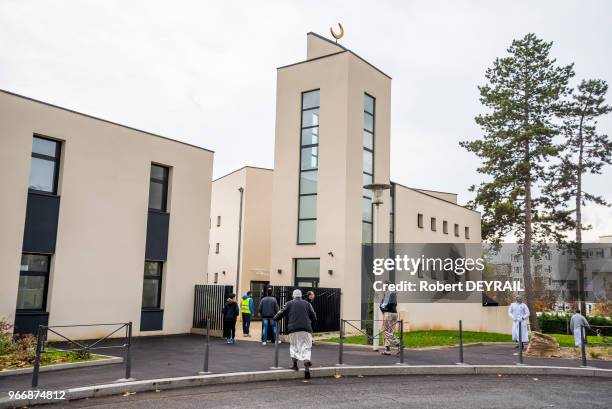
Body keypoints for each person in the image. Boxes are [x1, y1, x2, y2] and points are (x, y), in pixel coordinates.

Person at [274, 289, 317, 379]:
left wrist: (276, 318)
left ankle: (295, 365)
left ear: (293, 296)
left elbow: (281, 312)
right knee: (306, 347)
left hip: (293, 329)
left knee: (294, 346)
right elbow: (314, 316)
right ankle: (306, 364)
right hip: (306, 329)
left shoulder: (289, 303)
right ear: (301, 296)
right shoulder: (307, 304)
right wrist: (310, 323)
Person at [380, 280, 400, 355]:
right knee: (390, 332)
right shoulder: (394, 294)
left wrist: (382, 308)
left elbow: (384, 305)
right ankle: (387, 350)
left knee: (385, 331)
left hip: (388, 314)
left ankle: (398, 342)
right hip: (395, 314)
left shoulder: (387, 293)